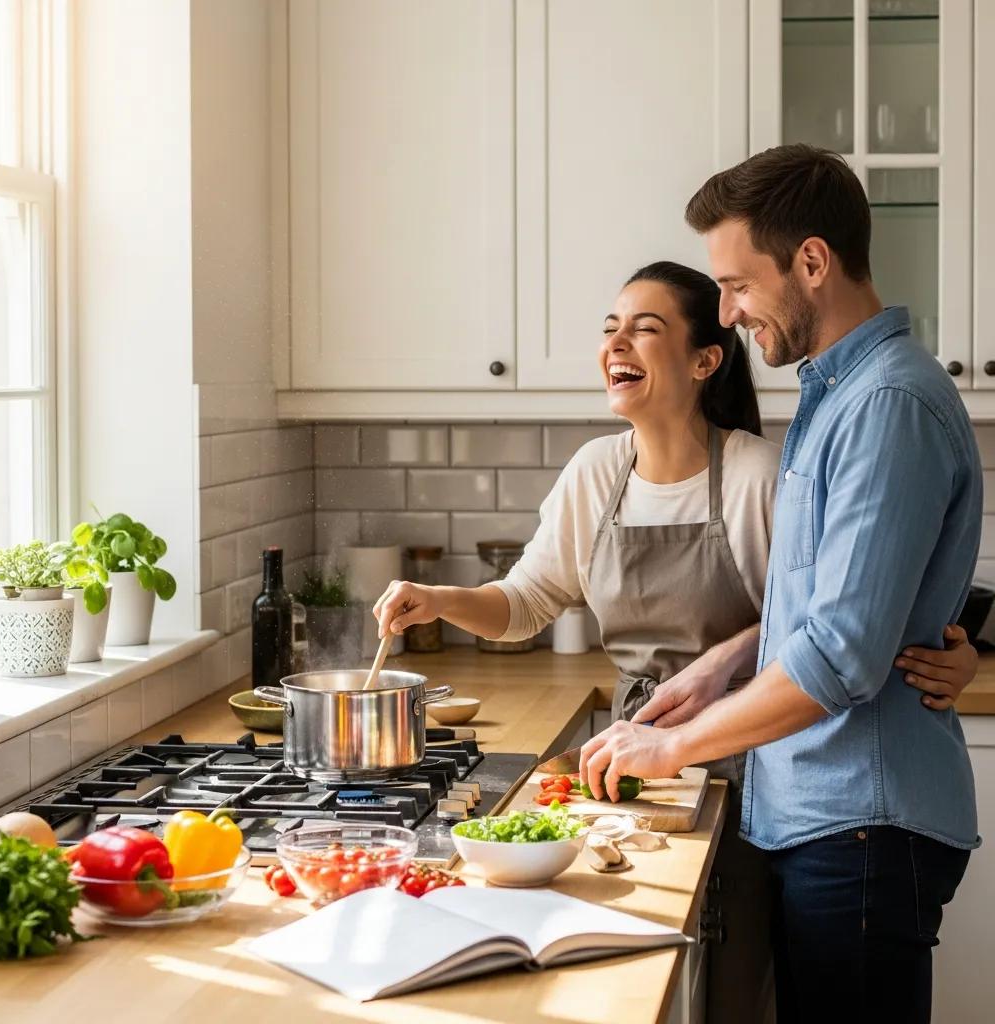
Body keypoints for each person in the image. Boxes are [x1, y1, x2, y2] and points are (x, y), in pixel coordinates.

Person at [374, 258, 978, 1023]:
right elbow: (524, 602)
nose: (616, 342)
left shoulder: (757, 474)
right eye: (609, 327)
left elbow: (830, 618)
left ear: (705, 360)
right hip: (645, 773)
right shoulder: (597, 472)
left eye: (643, 328)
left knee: (740, 984)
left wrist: (941, 645)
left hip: (762, 765)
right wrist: (438, 600)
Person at [578, 144, 982, 1024]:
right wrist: (721, 663)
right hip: (831, 819)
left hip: (863, 822)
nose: (727, 313)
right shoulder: (839, 397)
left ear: (811, 261)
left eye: (737, 285)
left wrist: (667, 750)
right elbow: (818, 606)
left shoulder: (886, 406)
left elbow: (839, 657)